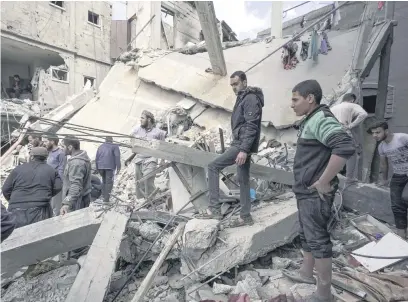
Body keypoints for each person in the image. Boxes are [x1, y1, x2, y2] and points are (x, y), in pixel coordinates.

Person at [283, 80, 355, 302]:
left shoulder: (321, 118)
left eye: (295, 99)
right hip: (306, 190)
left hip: (315, 192)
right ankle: (306, 273)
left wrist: (324, 181)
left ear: (310, 98)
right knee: (307, 233)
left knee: (318, 239)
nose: (292, 104)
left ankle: (323, 294)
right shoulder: (311, 119)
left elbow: (344, 146)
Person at [199, 71, 264, 227]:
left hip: (241, 144)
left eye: (236, 84)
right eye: (232, 85)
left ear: (244, 82)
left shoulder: (250, 99)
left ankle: (214, 209)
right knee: (243, 179)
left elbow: (251, 125)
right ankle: (245, 216)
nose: (234, 87)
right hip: (241, 143)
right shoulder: (244, 97)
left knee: (213, 167)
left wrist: (243, 150)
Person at [2, 147, 62, 228]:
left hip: (16, 209)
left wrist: (14, 200)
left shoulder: (18, 169)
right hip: (40, 209)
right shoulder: (51, 170)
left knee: (16, 238)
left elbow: (6, 189)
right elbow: (58, 186)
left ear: (32, 157)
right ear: (46, 158)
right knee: (39, 237)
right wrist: (46, 195)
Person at [368, 120, 408, 239]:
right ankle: (402, 235)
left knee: (405, 198)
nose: (375, 135)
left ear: (386, 131)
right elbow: (384, 165)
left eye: (377, 132)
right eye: (373, 133)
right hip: (398, 175)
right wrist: (384, 180)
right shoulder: (381, 147)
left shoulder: (402, 138)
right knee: (396, 205)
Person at [125, 110, 166, 199]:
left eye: (142, 118)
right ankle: (142, 200)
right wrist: (133, 148)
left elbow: (163, 147)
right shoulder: (137, 129)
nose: (140, 120)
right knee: (139, 182)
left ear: (149, 120)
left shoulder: (158, 132)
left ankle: (151, 198)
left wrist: (162, 160)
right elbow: (131, 137)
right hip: (139, 159)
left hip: (151, 159)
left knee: (148, 179)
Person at [330, 93, 368, 183]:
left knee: (336, 153)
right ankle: (349, 178)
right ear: (352, 100)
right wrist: (351, 125)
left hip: (334, 134)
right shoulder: (352, 105)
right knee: (352, 154)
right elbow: (364, 114)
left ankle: (332, 175)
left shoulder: (333, 108)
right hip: (345, 132)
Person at [60, 136, 92, 215]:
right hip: (80, 199)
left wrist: (67, 203)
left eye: (63, 147)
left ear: (70, 147)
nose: (61, 149)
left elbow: (76, 185)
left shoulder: (76, 163)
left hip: (76, 201)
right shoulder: (79, 158)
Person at [43, 135, 66, 216]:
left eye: (46, 141)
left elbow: (61, 169)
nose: (44, 143)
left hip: (56, 183)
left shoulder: (60, 153)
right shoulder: (48, 152)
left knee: (56, 206)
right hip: (47, 182)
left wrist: (58, 183)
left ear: (52, 141)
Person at [95, 136, 121, 203]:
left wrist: (97, 168)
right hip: (109, 166)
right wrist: (118, 167)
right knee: (109, 183)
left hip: (100, 166)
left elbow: (96, 158)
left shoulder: (100, 146)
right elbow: (117, 156)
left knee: (104, 181)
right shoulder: (114, 146)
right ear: (112, 140)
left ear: (105, 140)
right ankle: (106, 200)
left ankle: (104, 196)